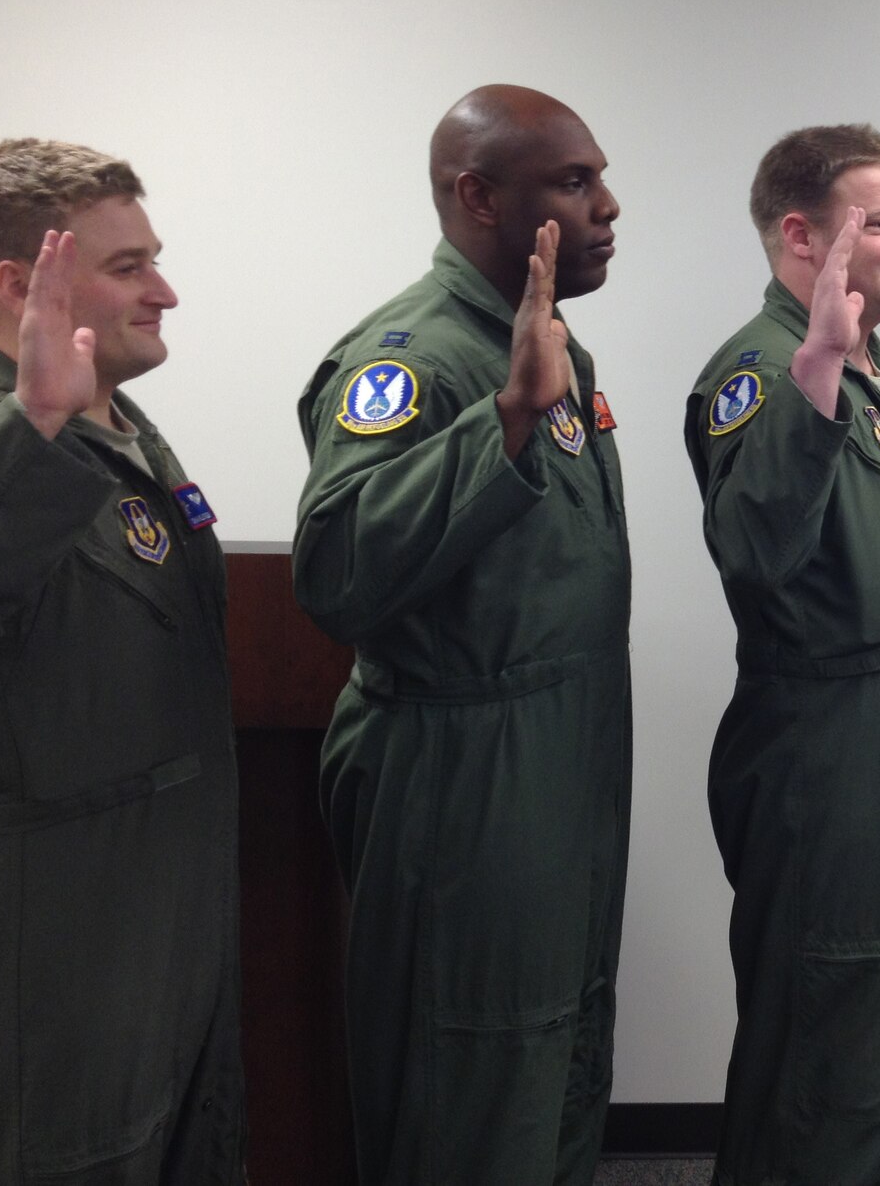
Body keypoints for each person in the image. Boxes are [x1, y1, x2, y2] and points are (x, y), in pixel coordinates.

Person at [293, 86, 630, 1186]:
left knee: (556, 1055)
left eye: (598, 178)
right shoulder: (416, 359)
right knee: (470, 1077)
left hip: (557, 755)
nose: (607, 206)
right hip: (461, 774)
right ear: (478, 198)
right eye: (573, 183)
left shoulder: (536, 339)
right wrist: (506, 423)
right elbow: (337, 570)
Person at [0, 139, 244, 1184]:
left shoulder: (122, 431)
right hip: (50, 929)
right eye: (129, 265)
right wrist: (35, 422)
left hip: (164, 909)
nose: (165, 290)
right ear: (21, 284)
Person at [686, 124, 880, 1186]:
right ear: (802, 235)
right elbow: (756, 552)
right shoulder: (761, 375)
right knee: (819, 1063)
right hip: (831, 778)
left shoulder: (874, 364)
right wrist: (811, 373)